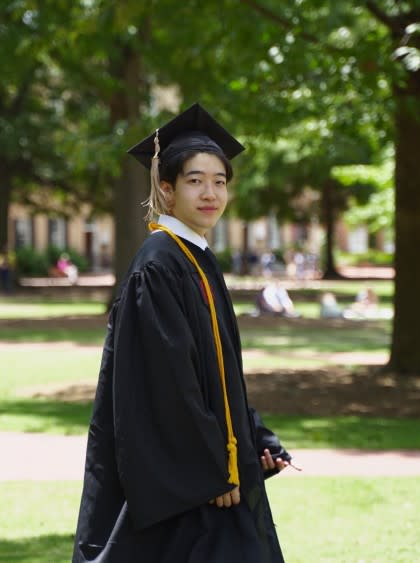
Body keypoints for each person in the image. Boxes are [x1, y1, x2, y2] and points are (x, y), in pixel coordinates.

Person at [73, 103, 291, 563]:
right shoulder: (159, 264)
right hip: (192, 491)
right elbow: (169, 385)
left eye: (219, 181)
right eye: (195, 181)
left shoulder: (195, 259)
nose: (210, 193)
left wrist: (254, 441)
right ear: (166, 190)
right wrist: (214, 470)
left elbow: (219, 374)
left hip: (211, 481)